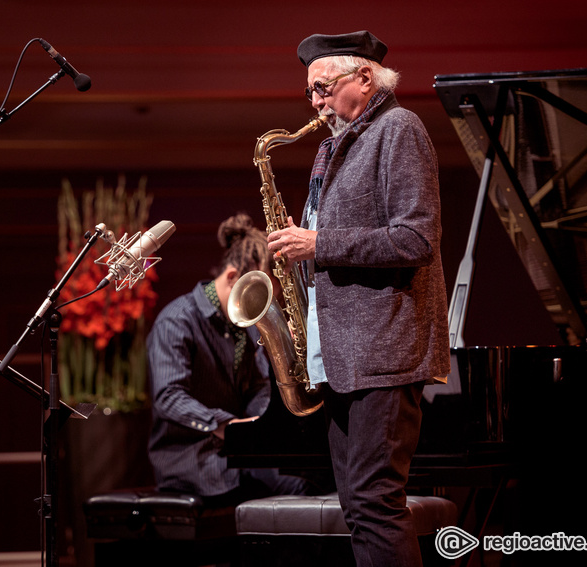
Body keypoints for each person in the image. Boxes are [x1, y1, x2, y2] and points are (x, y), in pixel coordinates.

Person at [266, 31, 450, 566]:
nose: (317, 103)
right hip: (346, 358)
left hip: (383, 355)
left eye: (323, 88)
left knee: (374, 503)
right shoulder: (334, 144)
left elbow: (416, 239)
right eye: (311, 94)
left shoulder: (398, 128)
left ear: (364, 79)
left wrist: (318, 243)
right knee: (359, 506)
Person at [147, 213, 314, 506]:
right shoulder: (176, 321)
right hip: (191, 459)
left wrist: (265, 423)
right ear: (233, 278)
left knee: (312, 478)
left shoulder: (243, 328)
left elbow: (256, 390)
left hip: (235, 453)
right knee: (298, 488)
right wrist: (231, 426)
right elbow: (169, 397)